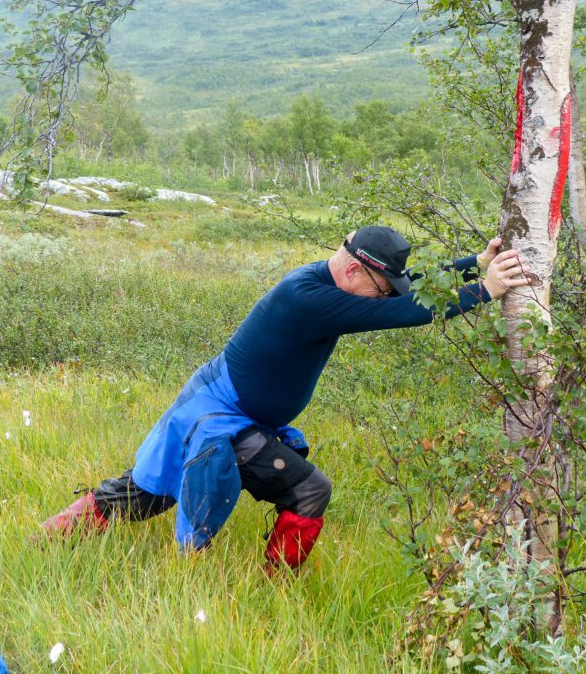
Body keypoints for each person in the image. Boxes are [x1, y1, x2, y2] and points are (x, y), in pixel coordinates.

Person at [41, 226, 533, 573]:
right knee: (301, 490)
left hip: (221, 406)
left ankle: (44, 540)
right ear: (358, 271)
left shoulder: (328, 281)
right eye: (380, 290)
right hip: (219, 418)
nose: (380, 299)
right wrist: (483, 291)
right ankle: (276, 590)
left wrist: (474, 265)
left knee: (145, 492)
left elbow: (402, 293)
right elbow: (404, 312)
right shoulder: (310, 299)